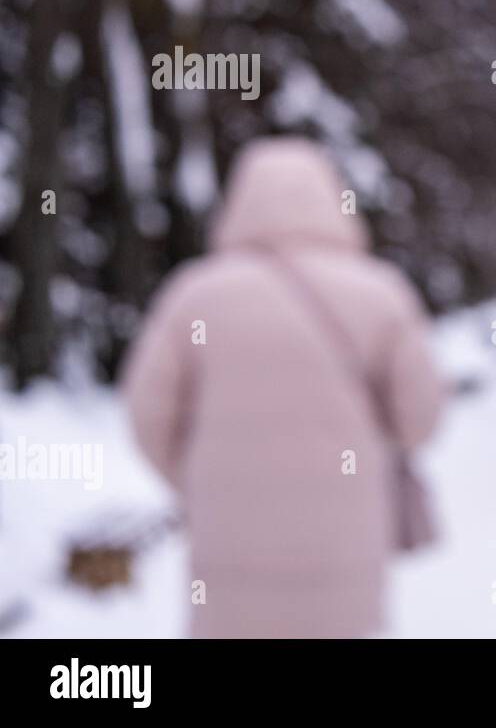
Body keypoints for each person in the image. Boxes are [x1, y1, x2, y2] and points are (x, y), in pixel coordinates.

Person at [120, 138, 442, 638]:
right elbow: (420, 419)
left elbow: (147, 415)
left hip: (227, 547)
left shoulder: (195, 295)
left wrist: (200, 478)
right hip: (344, 549)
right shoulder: (380, 293)